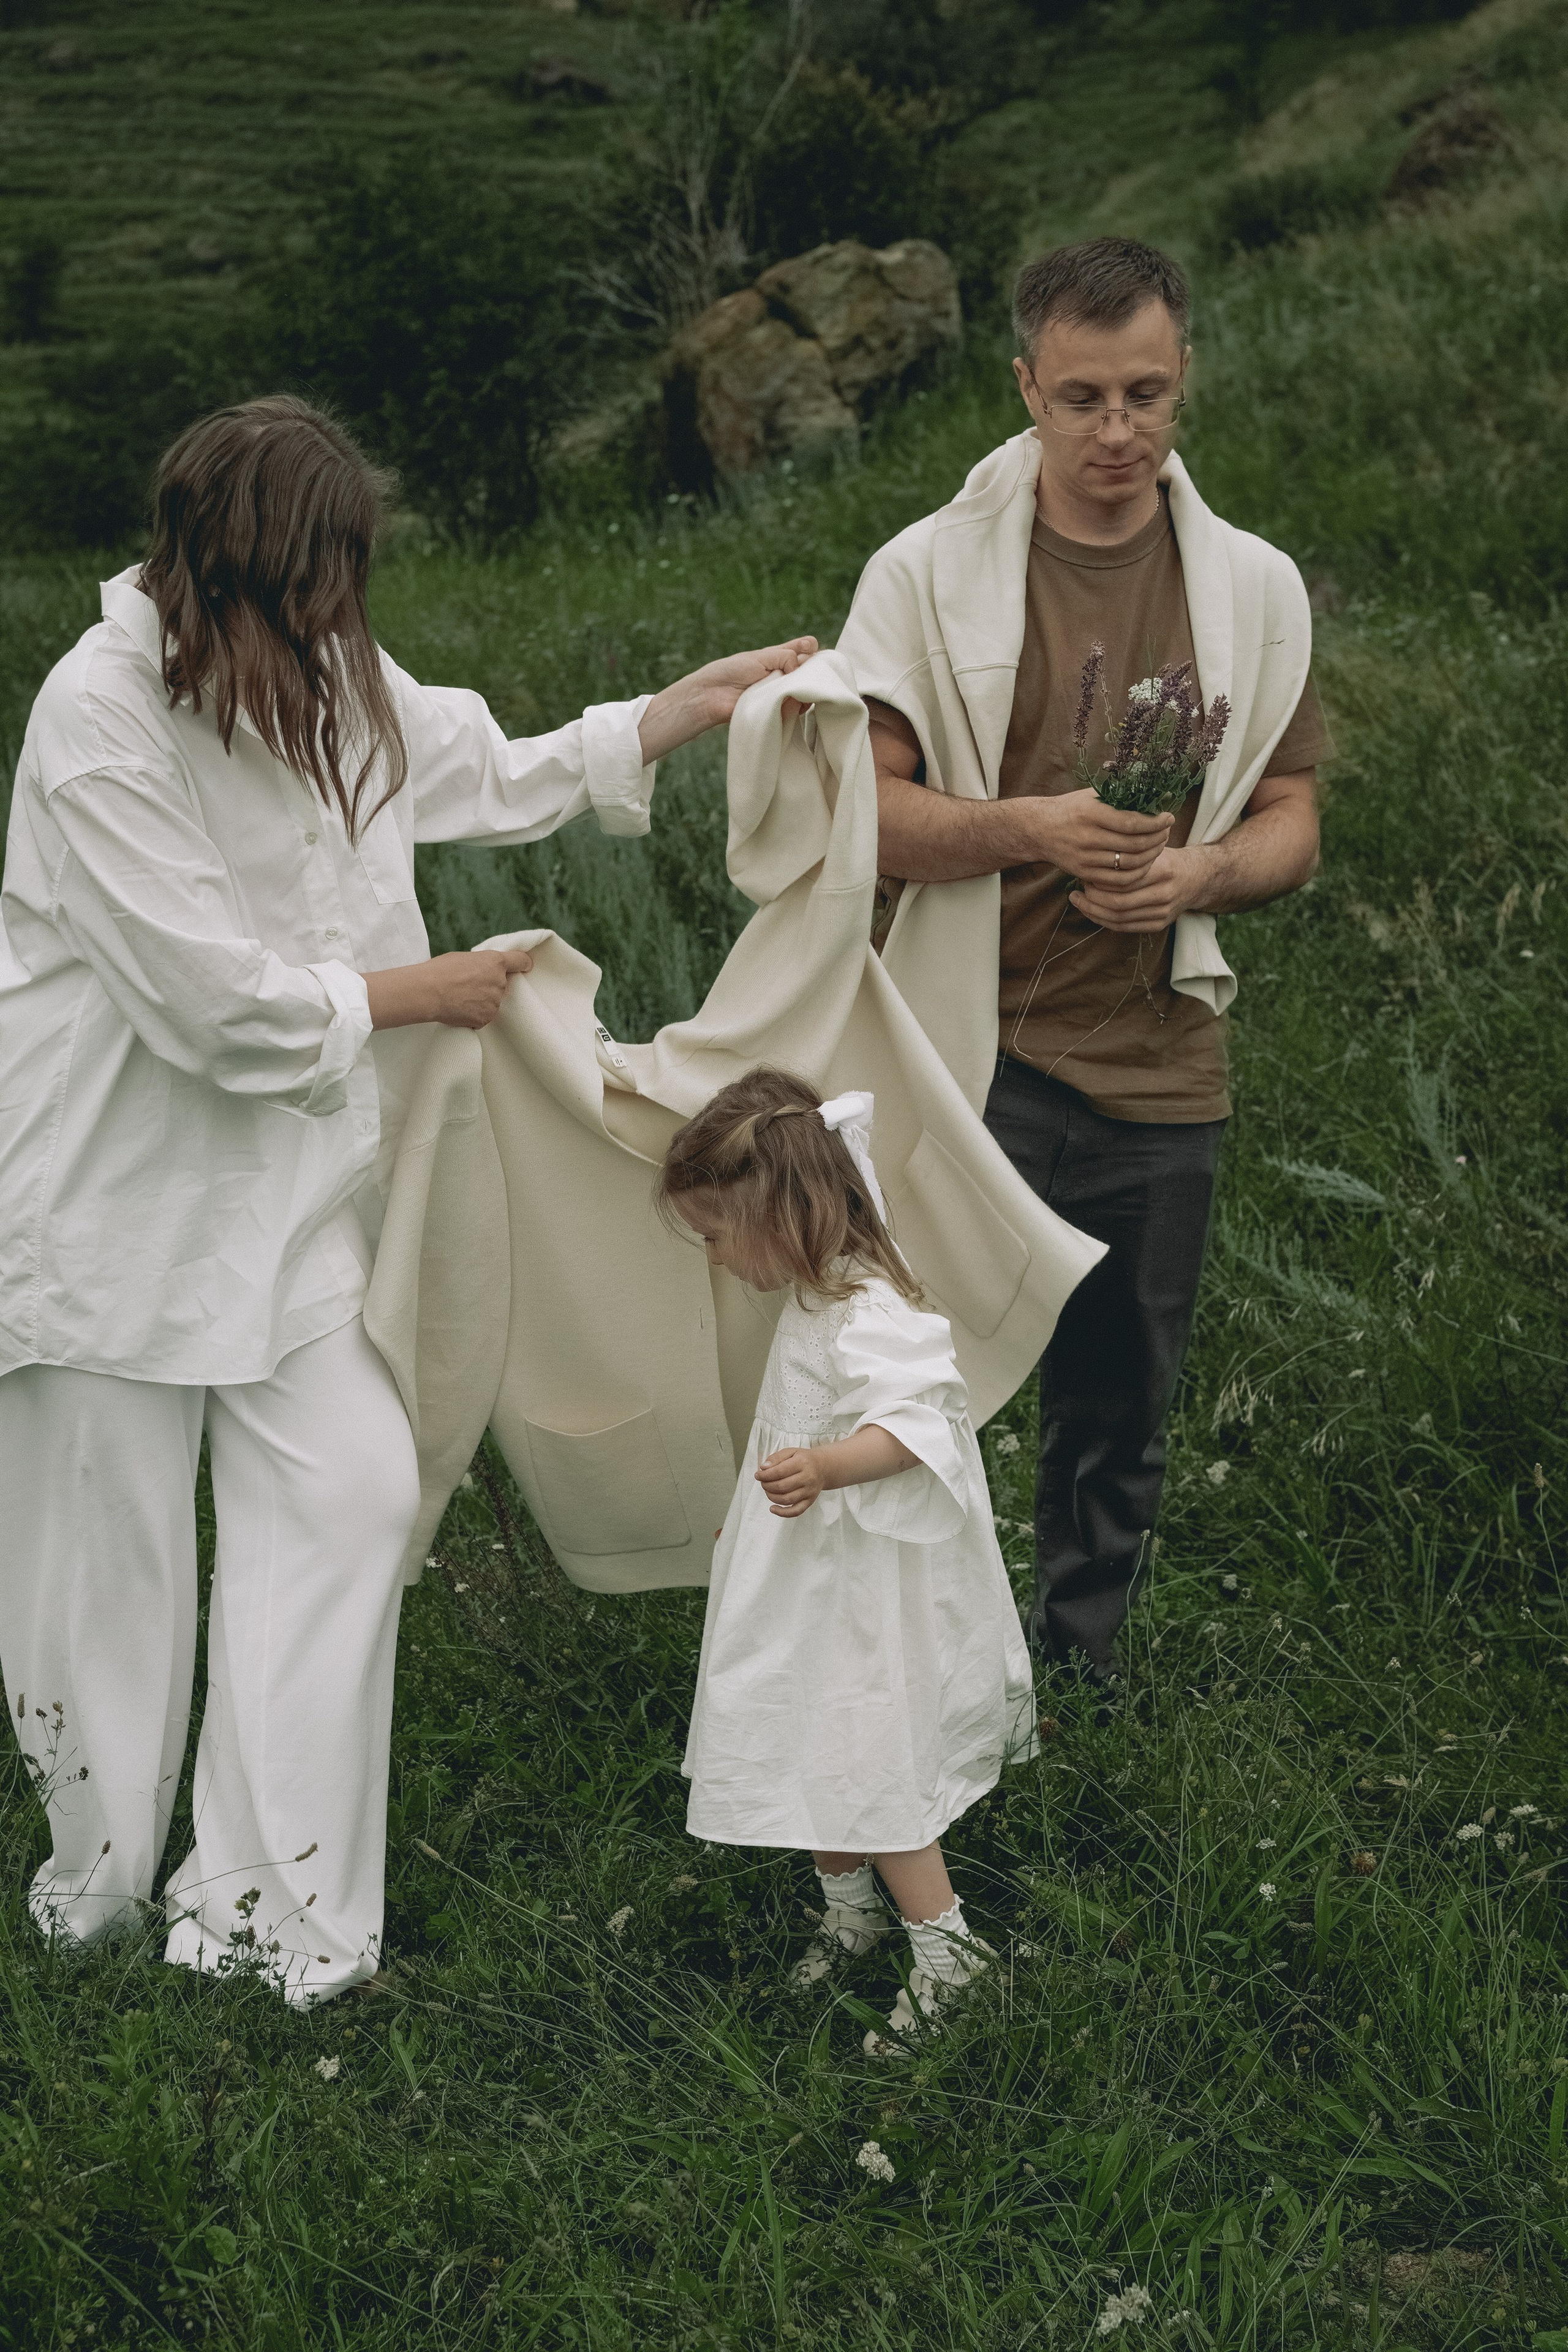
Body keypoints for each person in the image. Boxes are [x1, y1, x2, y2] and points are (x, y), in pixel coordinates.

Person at [0, 393, 816, 2001]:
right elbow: (211, 1001)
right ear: (214, 575)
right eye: (309, 597)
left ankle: (263, 1920)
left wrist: (664, 716)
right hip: (100, 1207)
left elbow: (466, 758)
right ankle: (88, 1915)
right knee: (111, 1591)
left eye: (344, 597)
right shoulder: (96, 718)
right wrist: (416, 994)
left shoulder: (322, 671)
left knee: (355, 1492)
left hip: (284, 1195)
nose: (334, 632)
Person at [837, 236, 1332, 1686]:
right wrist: (1029, 831)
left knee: (1117, 1408)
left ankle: (1075, 1693)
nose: (1115, 433)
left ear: (1182, 382)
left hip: (1159, 1065)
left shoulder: (1249, 585)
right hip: (955, 1054)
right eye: (1079, 399)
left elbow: (1294, 816)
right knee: (911, 1393)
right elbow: (858, 817)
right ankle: (906, 1688)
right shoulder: (924, 574)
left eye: (1144, 395)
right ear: (1023, 388)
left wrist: (1202, 873)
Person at [657, 1066, 1033, 2054]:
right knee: (807, 1739)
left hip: (862, 1588)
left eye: (717, 1234)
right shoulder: (823, 1294)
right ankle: (851, 1911)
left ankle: (952, 1958)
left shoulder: (872, 1309)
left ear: (781, 1210)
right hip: (808, 1575)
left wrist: (826, 1465)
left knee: (866, 1760)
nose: (716, 1257)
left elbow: (921, 1431)